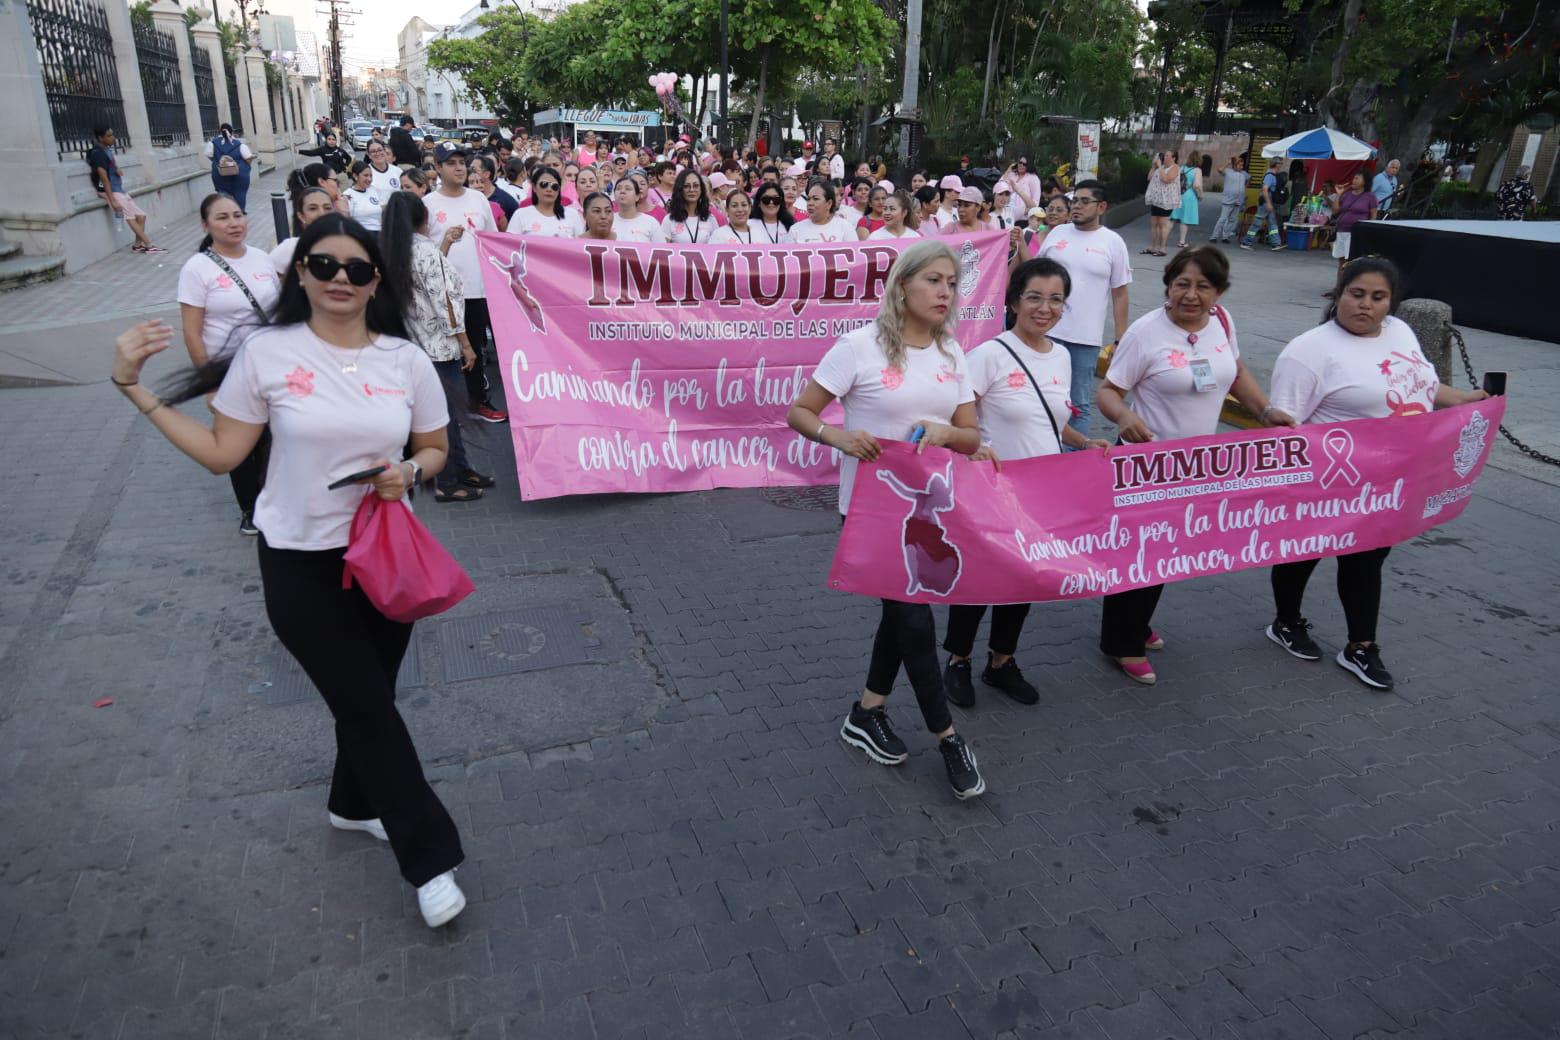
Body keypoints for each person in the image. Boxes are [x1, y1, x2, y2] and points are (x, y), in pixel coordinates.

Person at [110, 213, 469, 929]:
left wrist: (407, 469)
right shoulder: (266, 354)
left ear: (376, 283)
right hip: (300, 568)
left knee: (366, 701)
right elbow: (222, 454)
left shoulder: (402, 359)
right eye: (325, 265)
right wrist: (134, 389)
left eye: (358, 269)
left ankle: (351, 804)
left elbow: (433, 445)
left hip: (381, 558)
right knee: (370, 709)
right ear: (299, 273)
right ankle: (430, 859)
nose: (341, 278)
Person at [785, 240, 988, 799]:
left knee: (901, 621)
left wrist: (949, 434)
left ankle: (867, 711)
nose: (946, 291)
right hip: (872, 515)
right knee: (917, 624)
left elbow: (971, 437)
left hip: (931, 518)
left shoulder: (953, 354)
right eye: (934, 281)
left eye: (952, 282)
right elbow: (799, 412)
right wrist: (837, 435)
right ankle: (949, 738)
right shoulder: (859, 347)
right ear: (903, 286)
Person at [1266, 257, 1489, 689]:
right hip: (1323, 485)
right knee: (1301, 557)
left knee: (1367, 563)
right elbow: (1284, 430)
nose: (1366, 305)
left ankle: (1361, 646)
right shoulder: (1308, 350)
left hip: (1386, 485)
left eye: (1378, 297)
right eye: (1357, 294)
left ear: (1391, 303)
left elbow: (1420, 385)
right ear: (1339, 295)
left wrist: (1463, 400)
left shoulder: (1400, 332)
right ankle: (1286, 621)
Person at [1095, 247, 1292, 684]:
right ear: (1167, 284)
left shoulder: (1221, 322)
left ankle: (1137, 623)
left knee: (1166, 553)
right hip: (1148, 465)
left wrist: (1263, 411)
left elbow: (1235, 371)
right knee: (1140, 555)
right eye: (1182, 283)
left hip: (1199, 466)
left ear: (1218, 292)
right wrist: (1125, 417)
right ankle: (1120, 643)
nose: (1191, 294)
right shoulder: (1146, 332)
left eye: (1203, 286)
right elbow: (1108, 391)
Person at [945, 258, 1110, 708]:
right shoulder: (988, 355)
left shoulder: (1059, 355)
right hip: (991, 491)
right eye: (1034, 297)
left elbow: (1051, 421)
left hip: (1041, 494)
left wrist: (1083, 442)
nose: (1045, 308)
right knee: (980, 580)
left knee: (1024, 579)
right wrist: (970, 448)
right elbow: (956, 422)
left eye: (1056, 299)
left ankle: (1002, 662)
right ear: (1014, 300)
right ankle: (957, 660)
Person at [177, 193, 282, 534]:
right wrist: (208, 383)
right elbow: (192, 333)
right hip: (227, 369)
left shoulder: (262, 258)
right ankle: (250, 508)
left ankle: (276, 499)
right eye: (222, 217)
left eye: (238, 215)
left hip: (270, 364)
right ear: (206, 225)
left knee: (276, 435)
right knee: (240, 442)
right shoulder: (197, 268)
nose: (234, 223)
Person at [379, 191, 492, 503]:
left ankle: (460, 468)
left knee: (441, 415)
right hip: (440, 349)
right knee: (447, 415)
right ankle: (446, 478)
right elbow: (446, 303)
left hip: (412, 346)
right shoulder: (425, 253)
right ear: (423, 219)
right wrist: (466, 344)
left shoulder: (392, 253)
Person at [1035, 179, 1131, 438]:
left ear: (1102, 206)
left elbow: (1120, 294)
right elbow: (1034, 274)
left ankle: (1071, 461)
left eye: (1084, 201)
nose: (1076, 206)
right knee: (1038, 397)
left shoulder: (1113, 242)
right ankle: (1039, 453)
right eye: (1074, 200)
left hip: (1084, 339)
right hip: (1044, 332)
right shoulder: (1057, 234)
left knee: (1077, 404)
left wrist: (1120, 339)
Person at [426, 143, 506, 425]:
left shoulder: (478, 199)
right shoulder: (428, 205)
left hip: (477, 289)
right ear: (438, 168)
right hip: (442, 295)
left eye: (463, 162)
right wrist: (445, 240)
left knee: (476, 347)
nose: (460, 168)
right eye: (451, 163)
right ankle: (445, 410)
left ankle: (478, 401)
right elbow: (422, 255)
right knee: (446, 351)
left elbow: (493, 241)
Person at [87, 126, 163, 253]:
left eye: (112, 134)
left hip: (119, 189)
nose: (113, 138)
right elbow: (103, 177)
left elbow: (111, 166)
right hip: (113, 192)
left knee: (141, 216)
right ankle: (149, 245)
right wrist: (112, 200)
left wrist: (116, 169)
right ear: (100, 138)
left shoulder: (107, 150)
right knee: (130, 217)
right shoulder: (98, 153)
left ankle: (137, 246)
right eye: (109, 136)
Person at [270, 186, 335, 275]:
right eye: (313, 208)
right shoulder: (289, 248)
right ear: (301, 216)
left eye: (327, 208)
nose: (321, 213)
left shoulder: (348, 245)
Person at [1328, 171, 1378, 271]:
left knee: (1350, 261)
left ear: (1365, 181)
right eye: (1354, 178)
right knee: (1341, 261)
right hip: (1341, 230)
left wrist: (1369, 232)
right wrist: (1339, 194)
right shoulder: (1346, 195)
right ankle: (1339, 286)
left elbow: (1373, 216)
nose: (1354, 181)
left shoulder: (1370, 196)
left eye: (1357, 178)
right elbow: (1335, 211)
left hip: (1355, 233)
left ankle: (1348, 285)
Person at [788, 178, 856, 243]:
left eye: (816, 199)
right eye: (808, 199)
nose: (810, 203)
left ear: (829, 203)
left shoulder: (845, 227)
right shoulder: (796, 230)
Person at [206, 124, 255, 211]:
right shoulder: (240, 145)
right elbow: (248, 158)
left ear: (220, 131)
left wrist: (220, 162)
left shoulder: (212, 143)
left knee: (222, 192)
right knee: (240, 193)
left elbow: (209, 156)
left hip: (220, 174)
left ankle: (226, 211)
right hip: (239, 175)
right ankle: (239, 211)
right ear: (232, 131)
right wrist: (245, 167)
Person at [662, 169, 720, 243]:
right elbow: (663, 250)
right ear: (680, 189)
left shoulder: (710, 219)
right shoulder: (669, 220)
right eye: (686, 186)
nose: (692, 190)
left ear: (701, 189)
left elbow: (716, 248)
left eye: (696, 186)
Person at [1240, 160, 1285, 250]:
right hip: (1265, 203)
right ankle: (1246, 242)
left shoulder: (1272, 175)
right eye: (1280, 164)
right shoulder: (1269, 176)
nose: (1281, 165)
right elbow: (1265, 190)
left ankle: (1276, 244)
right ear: (1276, 165)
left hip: (1268, 202)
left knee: (1272, 223)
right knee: (1257, 223)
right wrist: (1268, 203)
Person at [1144, 151, 1181, 256]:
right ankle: (1152, 247)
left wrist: (1160, 167)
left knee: (1162, 225)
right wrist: (1153, 167)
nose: (1164, 157)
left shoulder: (1175, 168)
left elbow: (1166, 179)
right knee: (1154, 224)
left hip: (1166, 201)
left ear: (1173, 158)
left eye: (1167, 155)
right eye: (1164, 155)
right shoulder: (1161, 167)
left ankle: (1162, 248)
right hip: (1156, 199)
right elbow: (1149, 178)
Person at [469, 155, 516, 232]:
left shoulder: (506, 201)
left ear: (487, 174)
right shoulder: (464, 197)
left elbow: (510, 235)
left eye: (474, 170)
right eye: (469, 169)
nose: (470, 172)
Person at [612, 177, 665, 242]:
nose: (622, 191)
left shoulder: (651, 222)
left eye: (628, 189)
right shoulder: (608, 221)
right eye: (618, 188)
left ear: (637, 196)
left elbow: (660, 250)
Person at [1209, 155, 1247, 243]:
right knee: (1223, 219)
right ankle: (1214, 236)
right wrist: (1228, 163)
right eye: (1239, 165)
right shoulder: (1228, 171)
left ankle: (1225, 236)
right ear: (1234, 165)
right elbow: (1219, 169)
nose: (1241, 167)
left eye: (1242, 165)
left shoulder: (1243, 174)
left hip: (1238, 201)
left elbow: (1249, 179)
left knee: (1233, 220)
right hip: (1228, 200)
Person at [1170, 150, 1202, 248]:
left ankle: (1163, 237)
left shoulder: (1182, 168)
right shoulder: (1197, 170)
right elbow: (1196, 185)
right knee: (1185, 220)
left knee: (1173, 218)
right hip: (1189, 196)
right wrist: (1200, 195)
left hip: (1179, 194)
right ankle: (1182, 241)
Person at [343, 161, 387, 232]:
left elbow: (379, 208)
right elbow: (347, 220)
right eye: (365, 175)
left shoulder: (373, 190)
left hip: (379, 232)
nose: (369, 179)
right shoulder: (348, 195)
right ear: (355, 176)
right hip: (361, 234)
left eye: (371, 176)